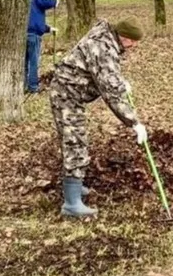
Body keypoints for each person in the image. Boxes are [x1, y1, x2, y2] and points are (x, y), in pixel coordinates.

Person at [50, 17, 148, 217]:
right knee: (75, 143)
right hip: (66, 96)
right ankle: (71, 203)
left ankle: (75, 187)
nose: (134, 46)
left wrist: (121, 83)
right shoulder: (102, 49)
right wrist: (134, 122)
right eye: (133, 42)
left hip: (70, 93)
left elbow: (108, 76)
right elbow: (110, 92)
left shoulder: (106, 38)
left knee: (76, 141)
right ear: (124, 38)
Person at [26, 0, 58, 93]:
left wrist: (49, 29)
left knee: (25, 62)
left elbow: (35, 23)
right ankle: (33, 87)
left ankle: (24, 85)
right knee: (34, 62)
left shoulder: (26, 3)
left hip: (24, 35)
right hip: (34, 36)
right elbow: (44, 1)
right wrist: (54, 1)